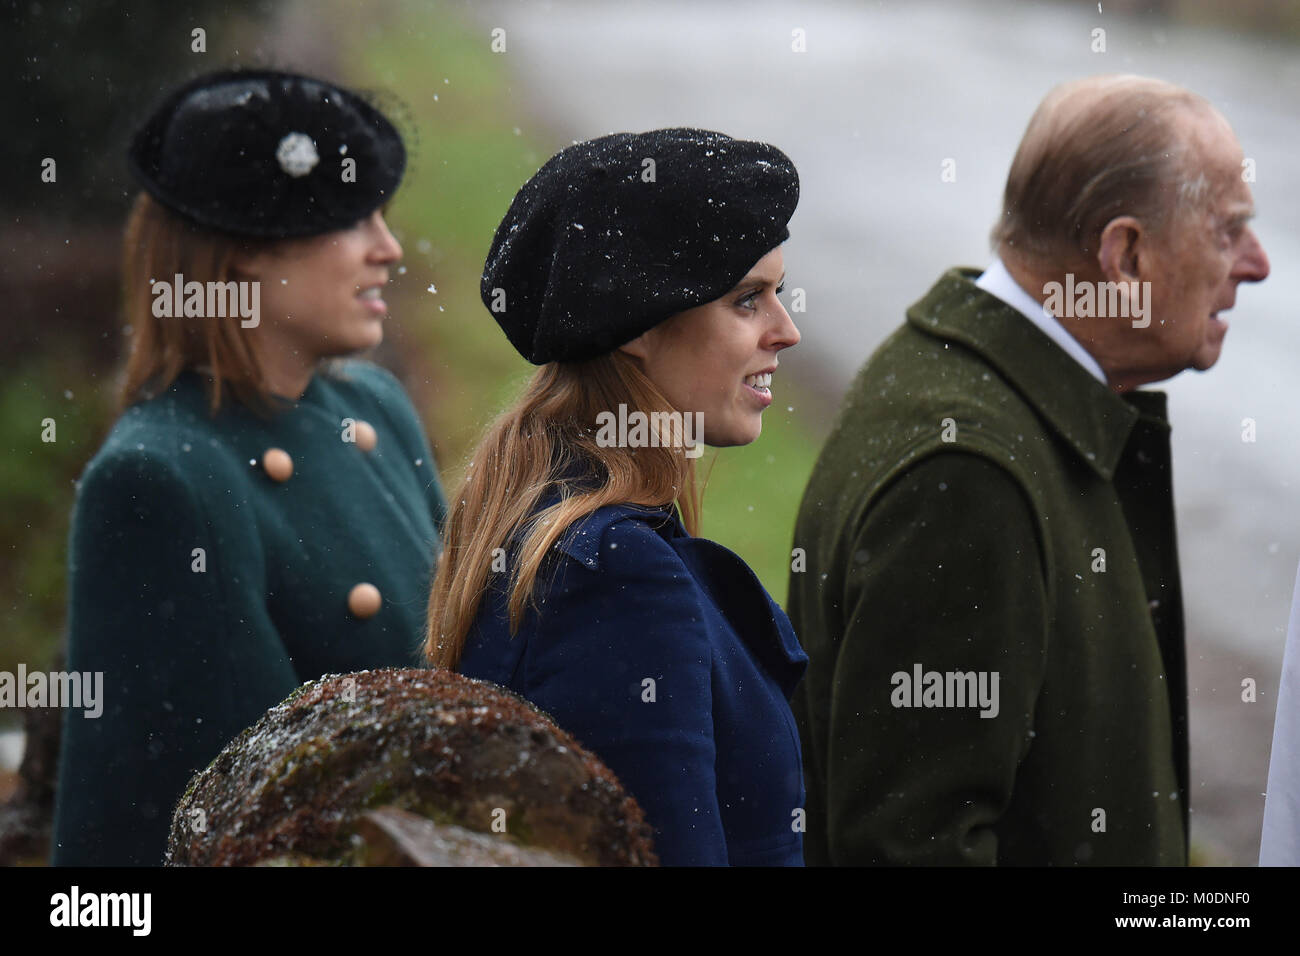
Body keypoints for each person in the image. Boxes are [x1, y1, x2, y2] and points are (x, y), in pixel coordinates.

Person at [789, 74, 1269, 866]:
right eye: (1228, 231)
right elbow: (911, 847)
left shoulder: (965, 381)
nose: (1255, 265)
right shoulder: (970, 472)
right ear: (1125, 254)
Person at [51, 69, 449, 865]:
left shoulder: (372, 407)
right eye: (350, 219)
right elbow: (166, 812)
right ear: (241, 257)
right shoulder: (161, 479)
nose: (389, 248)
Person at [425, 129, 808, 866]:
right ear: (642, 327)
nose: (786, 332)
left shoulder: (552, 512)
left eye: (777, 297)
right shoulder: (618, 576)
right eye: (747, 301)